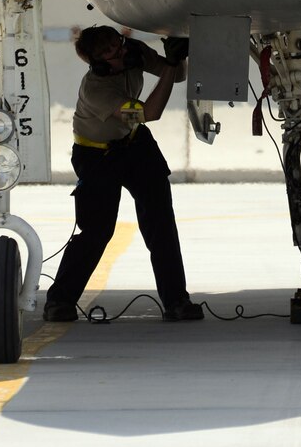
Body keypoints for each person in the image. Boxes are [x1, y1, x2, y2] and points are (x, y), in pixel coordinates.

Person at [41, 25, 202, 323]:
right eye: (112, 53)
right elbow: (148, 112)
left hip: (135, 144)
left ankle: (177, 301)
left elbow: (177, 75)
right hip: (97, 155)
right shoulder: (96, 90)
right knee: (97, 231)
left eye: (120, 44)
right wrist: (168, 67)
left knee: (160, 223)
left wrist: (175, 58)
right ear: (99, 63)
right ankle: (59, 301)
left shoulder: (134, 52)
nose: (122, 53)